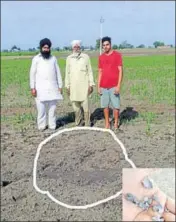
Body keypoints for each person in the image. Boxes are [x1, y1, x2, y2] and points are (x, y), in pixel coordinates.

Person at [29, 38, 63, 131]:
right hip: (40, 89)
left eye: (48, 48)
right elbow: (32, 74)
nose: (46, 49)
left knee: (52, 109)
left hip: (53, 88)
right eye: (44, 47)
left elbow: (58, 73)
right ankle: (41, 126)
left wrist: (60, 86)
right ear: (41, 48)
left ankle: (52, 126)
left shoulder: (53, 59)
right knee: (41, 110)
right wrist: (32, 88)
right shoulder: (36, 59)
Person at [65, 40, 95, 126]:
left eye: (78, 47)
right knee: (76, 107)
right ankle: (78, 122)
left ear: (80, 47)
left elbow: (90, 71)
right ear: (72, 48)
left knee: (86, 106)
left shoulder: (85, 57)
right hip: (73, 87)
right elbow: (67, 73)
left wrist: (91, 84)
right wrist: (67, 86)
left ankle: (87, 123)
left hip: (84, 86)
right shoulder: (69, 59)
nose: (76, 48)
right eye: (75, 47)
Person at [98, 36, 123, 129]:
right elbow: (100, 72)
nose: (105, 47)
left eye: (107, 44)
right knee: (105, 106)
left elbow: (120, 71)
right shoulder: (101, 57)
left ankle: (116, 123)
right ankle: (107, 123)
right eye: (103, 45)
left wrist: (118, 86)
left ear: (110, 45)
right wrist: (98, 86)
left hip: (114, 86)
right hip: (104, 86)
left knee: (116, 106)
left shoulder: (117, 55)